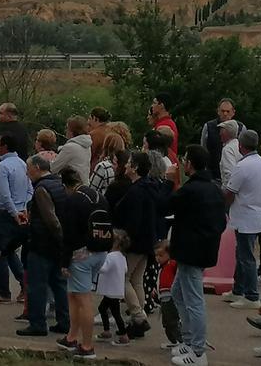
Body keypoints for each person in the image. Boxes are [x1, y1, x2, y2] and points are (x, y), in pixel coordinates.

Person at [168, 145, 226, 366]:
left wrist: (169, 181)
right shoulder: (213, 188)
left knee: (193, 300)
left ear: (189, 164)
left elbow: (168, 203)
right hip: (202, 250)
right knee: (178, 294)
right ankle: (190, 340)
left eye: (184, 160)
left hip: (191, 251)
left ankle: (199, 351)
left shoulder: (192, 189)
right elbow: (221, 222)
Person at [114, 150, 170, 333]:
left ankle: (138, 316)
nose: (126, 165)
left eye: (130, 162)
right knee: (136, 280)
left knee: (123, 278)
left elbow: (133, 219)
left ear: (136, 167)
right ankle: (137, 317)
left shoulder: (137, 190)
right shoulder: (150, 187)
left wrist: (123, 241)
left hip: (134, 242)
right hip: (147, 241)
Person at [17, 154, 71, 337]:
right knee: (59, 284)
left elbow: (51, 219)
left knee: (37, 285)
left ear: (37, 168)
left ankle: (38, 323)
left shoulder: (41, 189)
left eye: (28, 168)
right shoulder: (59, 184)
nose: (26, 172)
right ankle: (65, 321)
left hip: (42, 243)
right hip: (57, 245)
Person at [59, 169, 108, 359]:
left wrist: (64, 262)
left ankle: (87, 346)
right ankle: (71, 337)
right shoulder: (98, 196)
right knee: (74, 294)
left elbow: (68, 235)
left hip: (81, 255)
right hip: (101, 250)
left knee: (84, 298)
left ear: (65, 185)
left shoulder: (72, 201)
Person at [220, 129, 261, 310]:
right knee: (241, 254)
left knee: (246, 257)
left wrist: (224, 204)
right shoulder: (260, 162)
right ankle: (238, 289)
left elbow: (231, 191)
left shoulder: (243, 166)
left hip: (245, 215)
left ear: (240, 145)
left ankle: (251, 294)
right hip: (255, 214)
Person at [0, 133, 32, 305]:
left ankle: (3, 291)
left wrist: (13, 212)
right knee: (10, 250)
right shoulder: (23, 164)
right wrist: (23, 208)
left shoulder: (3, 166)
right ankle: (24, 283)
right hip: (19, 211)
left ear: (4, 147)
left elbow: (5, 194)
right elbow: (29, 190)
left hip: (5, 213)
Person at [200, 98, 243, 172]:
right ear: (218, 111)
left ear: (233, 112)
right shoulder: (209, 127)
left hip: (234, 171)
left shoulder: (241, 128)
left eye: (228, 111)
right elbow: (203, 148)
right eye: (223, 111)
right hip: (212, 172)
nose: (225, 114)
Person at [51, 116, 92, 186]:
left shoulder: (70, 147)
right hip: (84, 184)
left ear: (72, 131)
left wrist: (48, 160)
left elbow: (53, 168)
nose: (65, 131)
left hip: (72, 186)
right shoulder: (86, 145)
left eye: (67, 128)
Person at [0, 102, 30, 167]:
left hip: (3, 165)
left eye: (1, 113)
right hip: (21, 165)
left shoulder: (3, 130)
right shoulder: (23, 129)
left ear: (9, 115)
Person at [150, 93, 178, 161]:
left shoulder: (165, 125)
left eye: (154, 103)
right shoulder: (165, 123)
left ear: (161, 105)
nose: (152, 106)